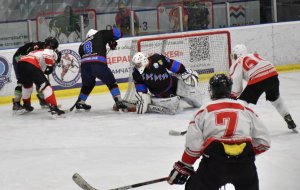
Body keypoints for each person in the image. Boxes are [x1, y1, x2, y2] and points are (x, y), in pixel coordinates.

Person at [167, 73, 271, 190]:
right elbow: (264, 141)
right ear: (229, 90)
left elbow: (193, 147)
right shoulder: (246, 110)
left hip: (215, 166)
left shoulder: (203, 111)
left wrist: (185, 165)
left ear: (211, 90)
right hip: (245, 167)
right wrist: (242, 154)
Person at [230, 44, 297, 133]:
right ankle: (289, 119)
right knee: (276, 100)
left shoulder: (238, 61)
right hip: (273, 75)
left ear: (236, 54)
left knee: (241, 103)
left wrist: (233, 97)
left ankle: (242, 128)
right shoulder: (255, 55)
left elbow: (236, 87)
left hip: (258, 78)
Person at [71, 27, 128, 112]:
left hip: (85, 67)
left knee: (88, 85)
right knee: (111, 82)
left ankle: (80, 102)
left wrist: (108, 42)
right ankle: (119, 101)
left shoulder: (81, 45)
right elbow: (116, 33)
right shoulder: (100, 34)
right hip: (98, 64)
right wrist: (112, 40)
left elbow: (88, 52)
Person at [131, 52, 201, 114]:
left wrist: (183, 71)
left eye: (139, 64)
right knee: (177, 107)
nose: (137, 66)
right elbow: (141, 89)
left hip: (173, 83)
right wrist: (143, 97)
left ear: (144, 60)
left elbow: (171, 64)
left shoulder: (157, 58)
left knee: (197, 99)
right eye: (136, 65)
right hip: (161, 93)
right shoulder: (136, 73)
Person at [17, 37, 64, 116]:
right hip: (30, 63)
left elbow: (39, 70)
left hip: (21, 63)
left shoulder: (38, 51)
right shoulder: (51, 52)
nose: (55, 63)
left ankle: (26, 105)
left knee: (27, 86)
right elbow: (47, 54)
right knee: (46, 86)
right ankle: (54, 108)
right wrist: (50, 66)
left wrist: (47, 69)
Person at [12, 40, 48, 112]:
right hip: (19, 59)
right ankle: (16, 103)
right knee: (21, 82)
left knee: (40, 78)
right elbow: (29, 55)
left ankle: (42, 100)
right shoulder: (37, 46)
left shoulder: (46, 49)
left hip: (29, 60)